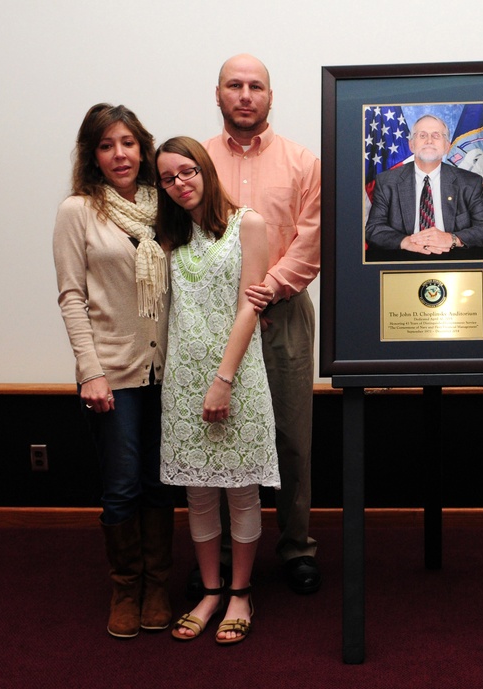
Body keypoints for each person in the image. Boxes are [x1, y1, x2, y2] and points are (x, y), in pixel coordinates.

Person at [53, 103, 174, 638]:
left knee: (158, 482)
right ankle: (126, 588)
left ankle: (159, 585)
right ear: (92, 156)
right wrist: (90, 370)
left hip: (167, 371)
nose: (119, 154)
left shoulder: (165, 206)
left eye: (127, 143)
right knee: (123, 485)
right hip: (112, 373)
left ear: (143, 148)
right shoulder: (77, 211)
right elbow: (72, 296)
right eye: (106, 145)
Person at [203, 53, 322, 594]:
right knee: (224, 436)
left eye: (256, 86)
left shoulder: (303, 161)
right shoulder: (196, 161)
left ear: (271, 97)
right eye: (235, 85)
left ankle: (296, 546)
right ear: (219, 94)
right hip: (215, 319)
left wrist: (266, 289)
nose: (245, 94)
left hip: (284, 314)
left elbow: (311, 238)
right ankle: (224, 553)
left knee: (293, 438)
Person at [155, 136, 279, 645]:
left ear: (205, 169)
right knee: (199, 495)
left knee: (241, 492)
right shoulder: (170, 235)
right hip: (183, 379)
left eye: (187, 171)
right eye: (167, 178)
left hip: (236, 377)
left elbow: (251, 305)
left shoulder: (247, 224)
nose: (180, 184)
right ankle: (209, 592)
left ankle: (241, 593)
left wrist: (223, 381)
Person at [365, 114, 483, 254]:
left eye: (436, 136)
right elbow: (373, 229)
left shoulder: (469, 183)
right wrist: (405, 242)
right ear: (411, 145)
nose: (429, 141)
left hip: (454, 261)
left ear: (447, 146)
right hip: (404, 260)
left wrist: (452, 239)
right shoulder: (387, 182)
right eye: (422, 135)